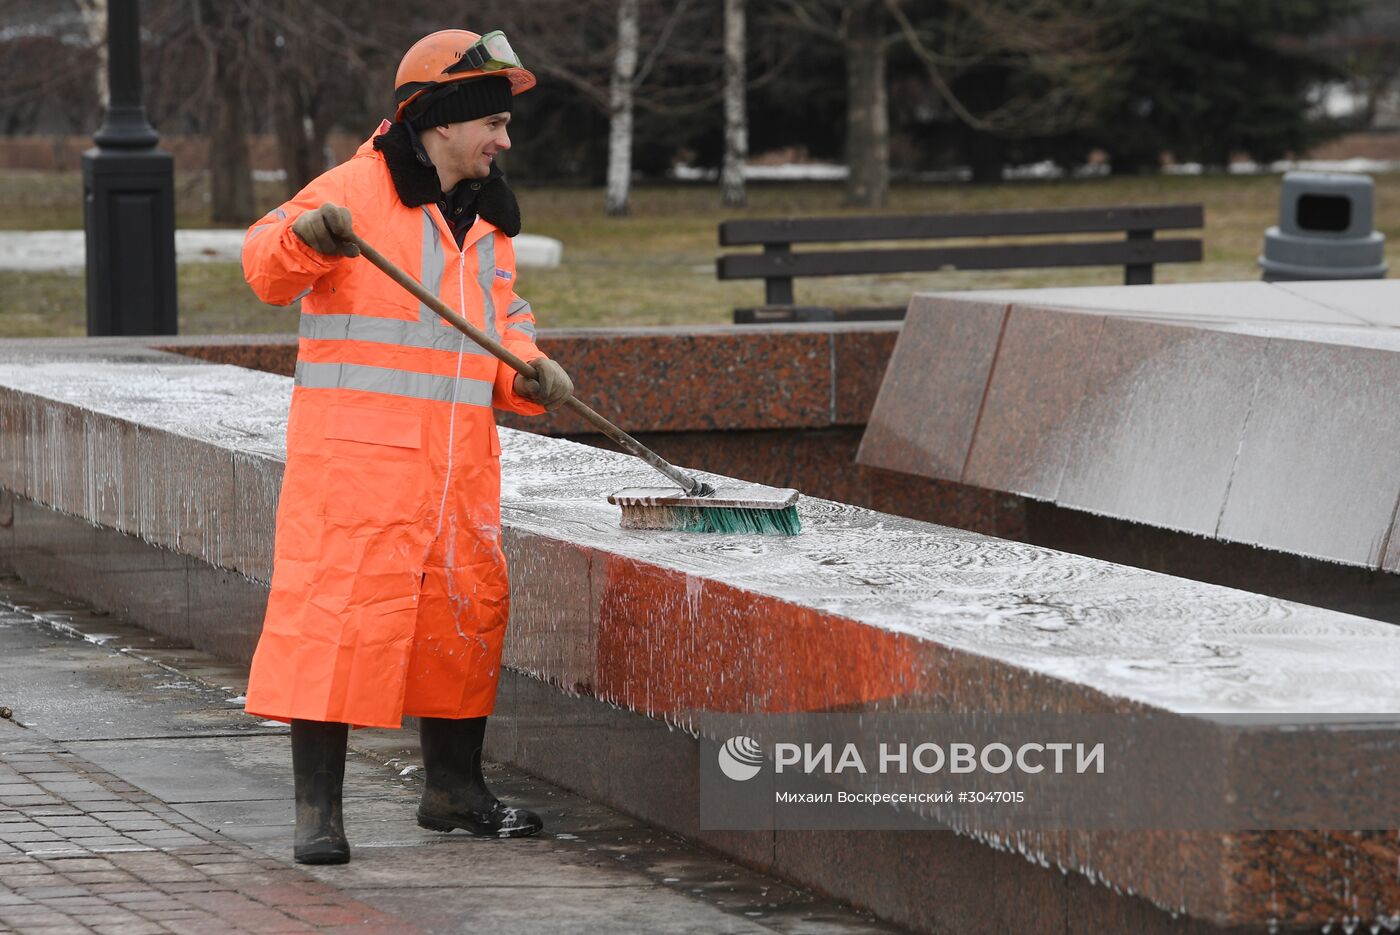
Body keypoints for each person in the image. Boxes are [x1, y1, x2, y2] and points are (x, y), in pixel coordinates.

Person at [239, 28, 573, 865]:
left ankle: (454, 792)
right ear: (442, 122)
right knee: (335, 626)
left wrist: (527, 369)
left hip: (457, 468)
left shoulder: (487, 222)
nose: (504, 139)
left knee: (463, 623)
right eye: (492, 122)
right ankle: (319, 813)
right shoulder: (355, 188)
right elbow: (263, 266)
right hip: (357, 469)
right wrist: (310, 233)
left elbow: (500, 321)